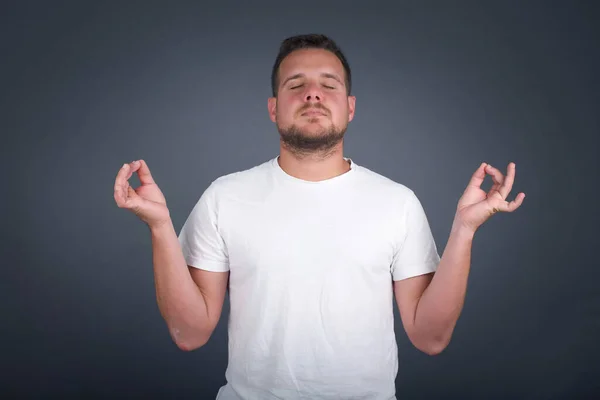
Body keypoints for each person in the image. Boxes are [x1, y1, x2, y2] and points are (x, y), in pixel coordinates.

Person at [113, 34, 525, 400]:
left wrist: (464, 229)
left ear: (350, 107)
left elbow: (430, 337)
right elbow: (190, 333)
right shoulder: (225, 197)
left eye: (328, 85)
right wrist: (160, 226)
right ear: (273, 108)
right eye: (297, 85)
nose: (313, 94)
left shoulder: (396, 202)